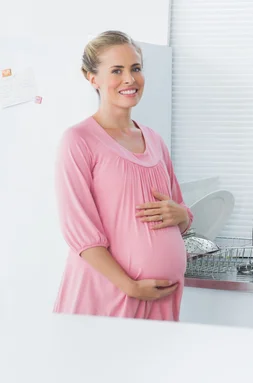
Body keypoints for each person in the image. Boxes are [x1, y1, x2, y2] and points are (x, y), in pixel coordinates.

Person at [53, 31, 194, 321]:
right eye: (117, 70)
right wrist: (130, 286)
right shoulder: (78, 141)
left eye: (136, 68)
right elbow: (81, 235)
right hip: (108, 296)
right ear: (92, 78)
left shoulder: (154, 140)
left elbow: (181, 217)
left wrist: (182, 215)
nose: (130, 79)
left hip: (161, 299)